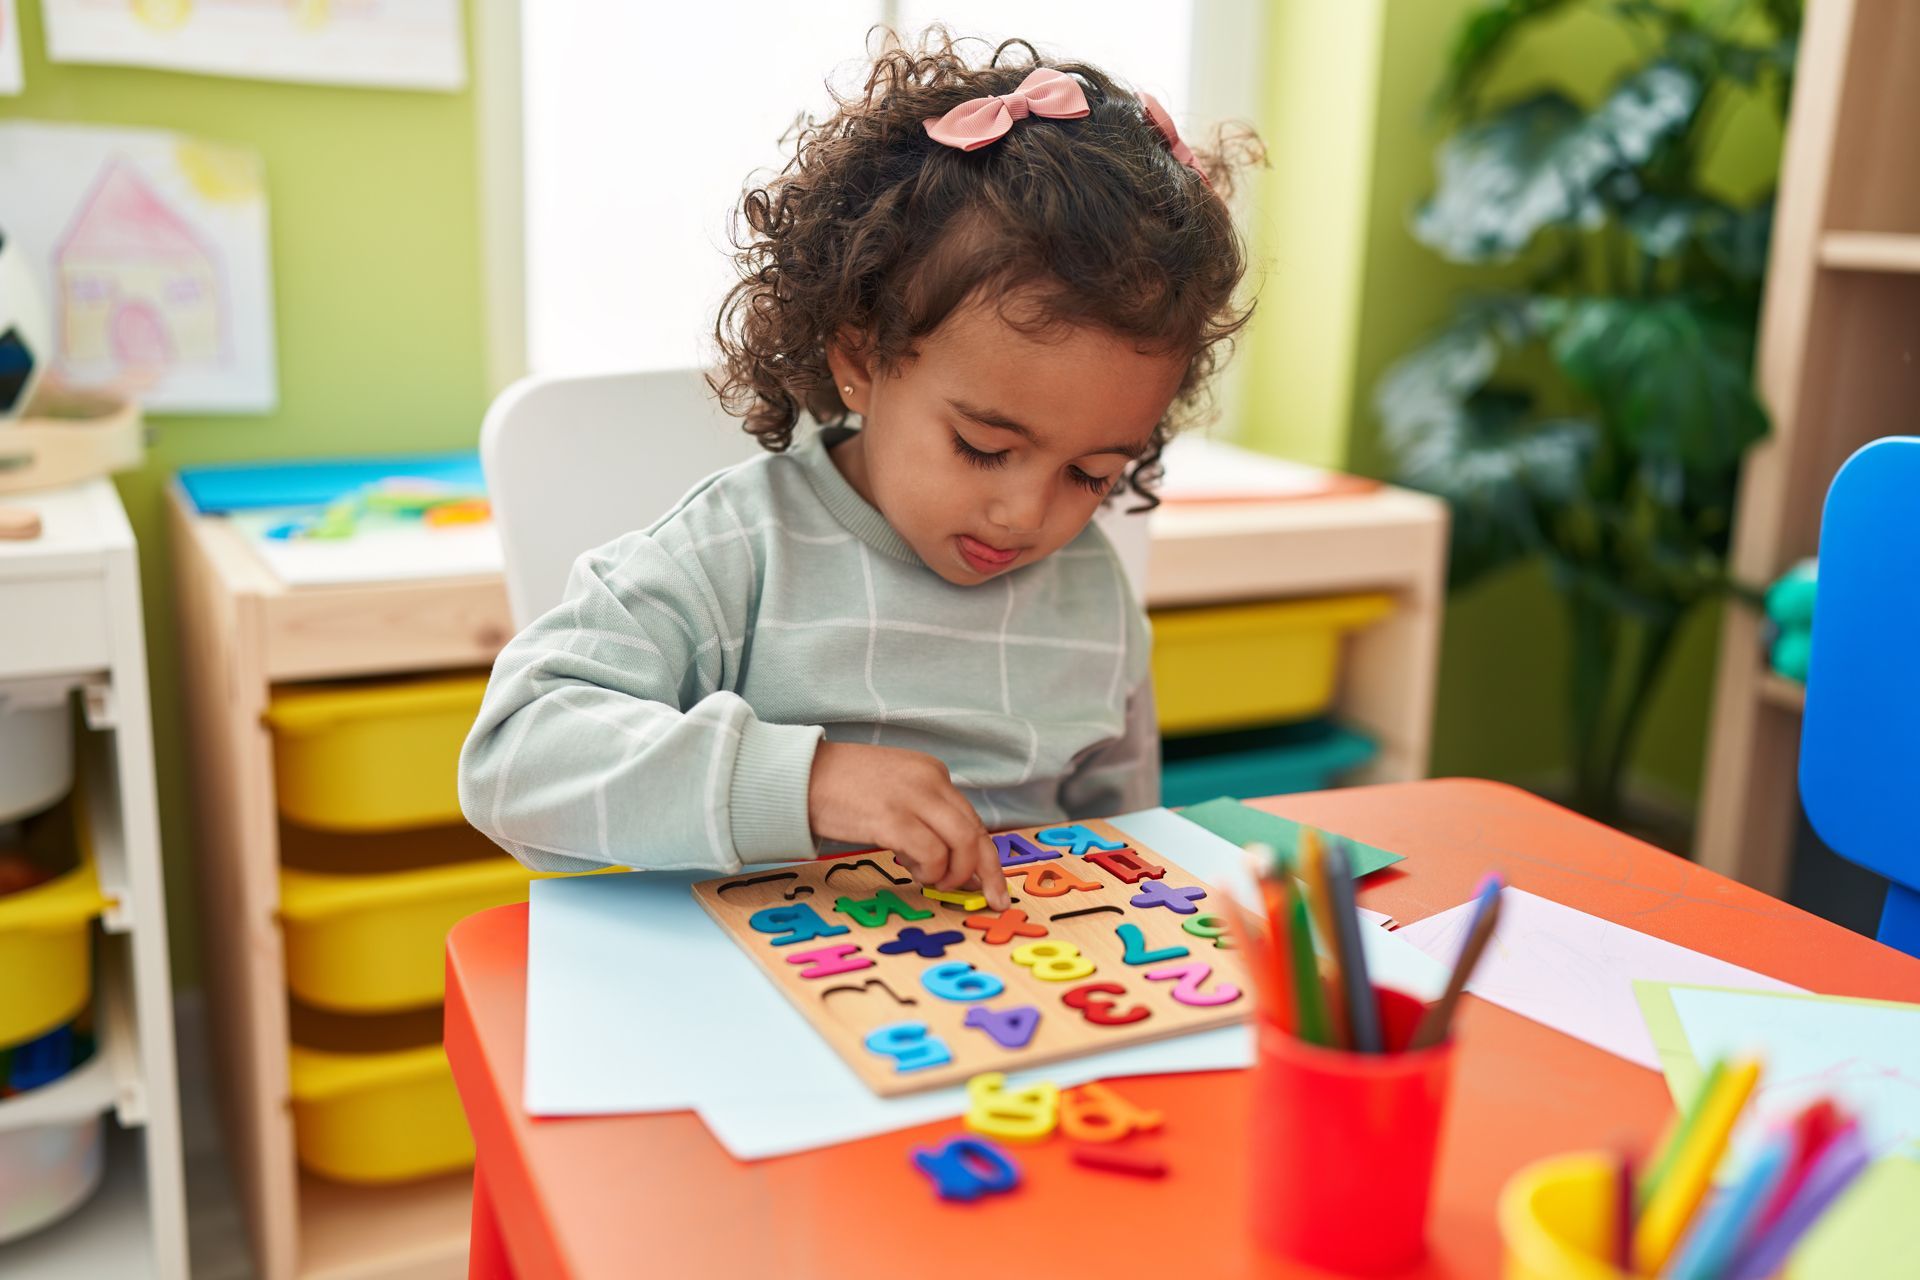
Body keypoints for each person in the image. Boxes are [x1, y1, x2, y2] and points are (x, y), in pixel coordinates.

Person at [460, 32, 1259, 911]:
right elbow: (515, 758)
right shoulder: (737, 555)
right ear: (861, 359)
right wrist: (804, 783)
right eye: (984, 449)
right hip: (768, 1010)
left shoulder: (1090, 596)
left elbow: (1125, 846)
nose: (1025, 515)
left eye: (1092, 474)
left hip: (1019, 1014)